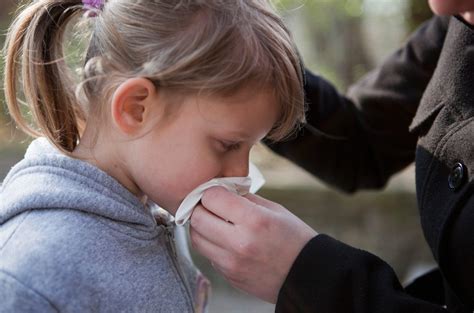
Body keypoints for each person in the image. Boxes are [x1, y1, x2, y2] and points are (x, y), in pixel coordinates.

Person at [0, 0, 305, 312]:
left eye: (249, 148)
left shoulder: (153, 208)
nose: (241, 174)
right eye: (227, 145)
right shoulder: (29, 278)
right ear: (136, 108)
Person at [189, 0, 474, 312]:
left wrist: (311, 276)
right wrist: (248, 59)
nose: (240, 172)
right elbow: (358, 139)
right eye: (228, 143)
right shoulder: (458, 22)